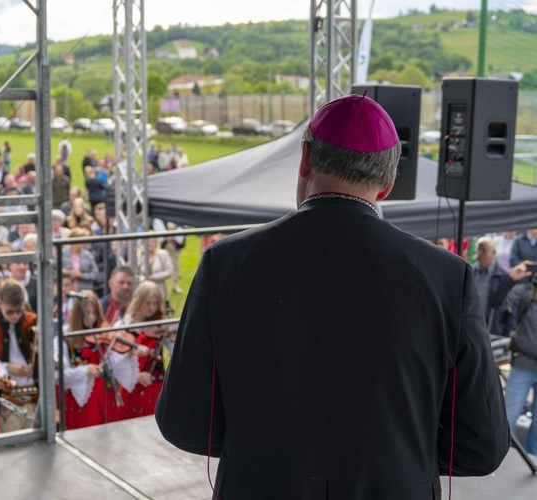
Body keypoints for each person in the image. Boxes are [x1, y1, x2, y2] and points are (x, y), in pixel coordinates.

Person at [155, 94, 509, 498]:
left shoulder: (225, 263)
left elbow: (182, 421)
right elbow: (483, 446)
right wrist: (402, 457)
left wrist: (258, 450)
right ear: (388, 184)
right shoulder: (447, 277)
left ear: (304, 158)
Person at [56, 290, 139, 428]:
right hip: (82, 402)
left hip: (105, 395)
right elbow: (59, 375)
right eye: (87, 313)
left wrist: (127, 354)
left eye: (94, 312)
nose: (92, 317)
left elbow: (116, 364)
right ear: (78, 314)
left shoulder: (103, 333)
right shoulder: (66, 338)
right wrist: (84, 371)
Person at [490, 261, 537, 456]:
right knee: (508, 415)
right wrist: (510, 278)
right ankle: (499, 456)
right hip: (523, 364)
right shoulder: (527, 291)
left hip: (523, 364)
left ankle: (531, 459)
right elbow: (497, 303)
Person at [0, 279, 39, 432]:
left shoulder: (32, 320)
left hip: (33, 394)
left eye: (19, 311)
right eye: (10, 312)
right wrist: (7, 367)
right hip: (6, 397)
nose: (15, 316)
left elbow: (43, 356)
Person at [120, 281, 173, 418]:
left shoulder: (161, 323)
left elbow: (174, 350)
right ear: (139, 301)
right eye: (148, 303)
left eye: (155, 303)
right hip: (133, 382)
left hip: (155, 380)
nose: (152, 308)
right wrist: (134, 375)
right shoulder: (127, 324)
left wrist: (173, 337)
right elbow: (118, 359)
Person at [472, 236, 513, 335]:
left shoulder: (503, 277)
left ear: (494, 253)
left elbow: (510, 310)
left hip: (493, 332)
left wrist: (505, 333)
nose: (480, 254)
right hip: (471, 329)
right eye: (478, 249)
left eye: (484, 250)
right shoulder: (470, 272)